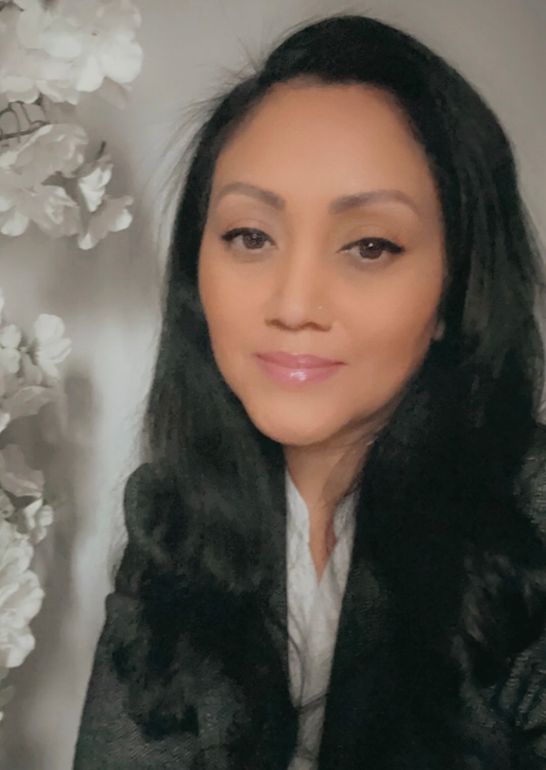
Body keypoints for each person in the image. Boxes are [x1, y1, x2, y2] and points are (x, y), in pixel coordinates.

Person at [72, 12, 546, 770]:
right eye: (250, 237)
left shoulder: (529, 526)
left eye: (369, 246)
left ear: (454, 294)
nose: (293, 304)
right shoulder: (171, 513)